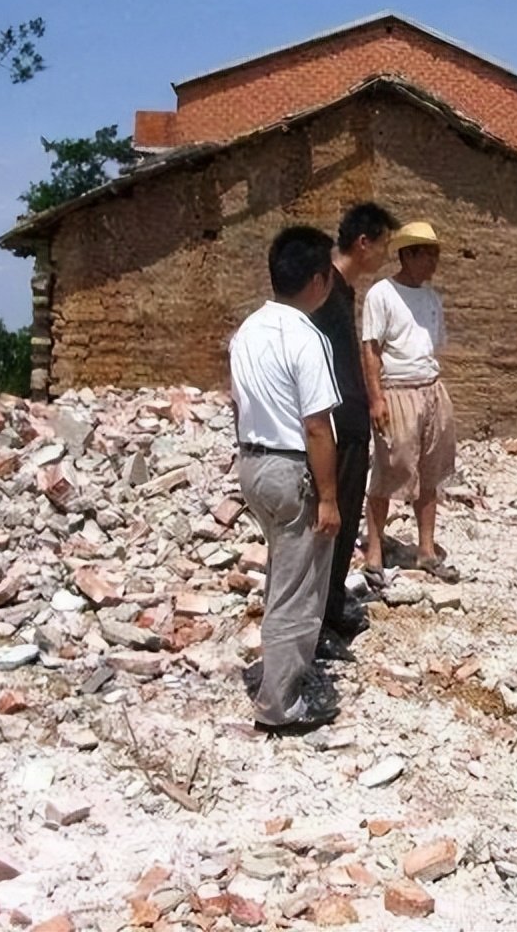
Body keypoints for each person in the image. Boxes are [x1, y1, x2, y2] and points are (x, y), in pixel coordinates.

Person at [229, 226, 342, 735]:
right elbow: (317, 426)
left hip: (252, 462)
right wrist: (331, 498)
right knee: (299, 588)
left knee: (282, 572)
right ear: (318, 280)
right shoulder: (306, 337)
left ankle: (279, 673)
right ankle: (281, 705)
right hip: (292, 468)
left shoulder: (248, 330)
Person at [308, 202, 399, 662]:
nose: (385, 254)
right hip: (335, 429)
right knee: (329, 525)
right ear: (364, 242)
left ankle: (330, 608)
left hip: (349, 424)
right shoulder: (325, 289)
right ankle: (316, 622)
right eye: (383, 244)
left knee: (343, 525)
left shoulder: (343, 291)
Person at [361, 221, 459, 584]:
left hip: (431, 388)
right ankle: (373, 551)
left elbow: (432, 345)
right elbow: (370, 348)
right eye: (428, 254)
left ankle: (426, 550)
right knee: (391, 468)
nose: (434, 261)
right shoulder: (382, 294)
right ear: (409, 255)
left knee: (431, 471)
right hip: (397, 390)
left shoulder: (432, 298)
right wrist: (376, 398)